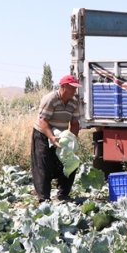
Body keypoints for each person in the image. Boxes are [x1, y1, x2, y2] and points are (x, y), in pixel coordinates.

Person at [32, 74, 82, 203]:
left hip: (61, 135)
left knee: (70, 162)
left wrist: (72, 140)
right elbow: (43, 121)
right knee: (43, 165)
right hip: (43, 134)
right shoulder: (50, 99)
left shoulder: (74, 102)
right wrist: (51, 138)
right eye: (72, 88)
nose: (74, 91)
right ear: (63, 87)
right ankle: (44, 198)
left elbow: (75, 123)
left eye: (75, 88)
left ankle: (63, 194)